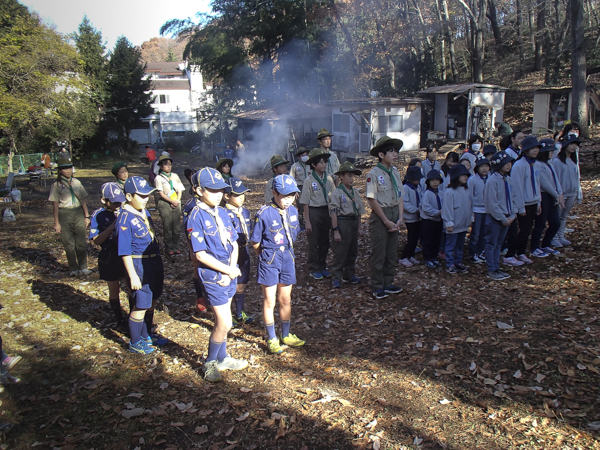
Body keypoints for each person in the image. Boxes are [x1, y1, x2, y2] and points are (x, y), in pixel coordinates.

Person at [186, 168, 247, 381]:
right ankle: (209, 362)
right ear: (198, 190)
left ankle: (223, 357)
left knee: (224, 319)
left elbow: (233, 243)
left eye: (221, 190)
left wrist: (231, 268)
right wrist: (226, 271)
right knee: (225, 323)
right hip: (213, 275)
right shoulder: (196, 216)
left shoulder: (221, 211)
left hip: (228, 272)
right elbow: (200, 255)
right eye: (212, 190)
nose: (219, 194)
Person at [250, 174, 304, 354]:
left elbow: (294, 235)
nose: (288, 200)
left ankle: (286, 334)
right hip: (270, 258)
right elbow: (255, 242)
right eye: (284, 196)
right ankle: (272, 337)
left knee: (285, 299)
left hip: (287, 256)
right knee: (269, 300)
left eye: (292, 196)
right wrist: (265, 257)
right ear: (274, 193)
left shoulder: (294, 211)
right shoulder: (264, 213)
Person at [117, 176, 166, 355]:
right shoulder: (125, 219)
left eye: (147, 195)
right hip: (139, 263)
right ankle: (135, 342)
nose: (145, 199)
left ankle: (146, 335)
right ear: (129, 197)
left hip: (153, 260)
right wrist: (133, 275)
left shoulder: (143, 212)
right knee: (140, 304)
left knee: (152, 299)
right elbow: (124, 251)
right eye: (141, 195)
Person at [366, 136, 404, 299]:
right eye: (391, 151)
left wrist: (400, 217)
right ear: (381, 155)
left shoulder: (395, 172)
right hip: (381, 216)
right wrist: (386, 220)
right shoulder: (374, 174)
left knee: (391, 252)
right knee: (379, 252)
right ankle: (378, 285)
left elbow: (399, 195)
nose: (395, 154)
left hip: (394, 213)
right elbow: (372, 199)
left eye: (396, 151)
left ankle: (389, 283)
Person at [89, 183, 129, 331]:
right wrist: (112, 226)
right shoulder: (98, 215)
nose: (118, 204)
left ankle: (133, 317)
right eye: (115, 202)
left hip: (125, 254)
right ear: (104, 200)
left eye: (120, 201)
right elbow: (96, 240)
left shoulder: (125, 210)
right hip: (109, 256)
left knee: (131, 286)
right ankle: (119, 319)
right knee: (114, 288)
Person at [48, 158, 91, 277]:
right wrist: (56, 222)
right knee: (68, 243)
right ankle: (73, 267)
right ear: (60, 171)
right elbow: (55, 205)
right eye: (65, 168)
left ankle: (83, 266)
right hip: (64, 212)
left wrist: (87, 216)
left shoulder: (77, 182)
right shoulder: (56, 185)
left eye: (69, 168)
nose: (68, 171)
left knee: (81, 242)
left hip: (78, 212)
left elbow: (83, 200)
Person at [504, 136, 542, 266]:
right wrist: (520, 207)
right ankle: (511, 253)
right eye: (532, 148)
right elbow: (517, 187)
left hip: (533, 202)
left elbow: (537, 183)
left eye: (537, 148)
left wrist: (538, 201)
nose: (535, 151)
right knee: (521, 230)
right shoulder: (519, 165)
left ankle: (520, 252)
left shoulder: (535, 164)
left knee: (528, 230)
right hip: (523, 204)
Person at [329, 161, 366, 288]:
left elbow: (359, 211)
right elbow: (333, 212)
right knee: (340, 251)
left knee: (352, 250)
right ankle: (336, 277)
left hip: (353, 222)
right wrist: (336, 230)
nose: (351, 179)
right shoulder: (337, 193)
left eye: (353, 176)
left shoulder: (355, 192)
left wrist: (359, 227)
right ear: (341, 177)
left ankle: (349, 274)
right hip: (342, 222)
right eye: (349, 176)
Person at [299, 148, 335, 280]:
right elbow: (305, 202)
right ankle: (314, 267)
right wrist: (307, 221)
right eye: (321, 162)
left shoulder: (329, 179)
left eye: (325, 162)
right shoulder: (309, 181)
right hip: (314, 211)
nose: (324, 165)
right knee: (314, 241)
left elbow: (333, 197)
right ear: (313, 165)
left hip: (327, 212)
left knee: (325, 240)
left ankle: (322, 266)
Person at [224, 178, 255, 326]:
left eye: (243, 193)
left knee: (241, 284)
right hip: (229, 254)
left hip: (244, 252)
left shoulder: (246, 212)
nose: (241, 197)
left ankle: (239, 312)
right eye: (237, 194)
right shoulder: (222, 214)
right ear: (227, 196)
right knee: (229, 286)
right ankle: (226, 316)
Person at [484, 151, 517, 280]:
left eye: (509, 163)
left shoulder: (508, 179)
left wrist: (513, 215)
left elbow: (513, 198)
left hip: (507, 217)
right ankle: (491, 269)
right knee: (491, 243)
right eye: (505, 163)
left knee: (499, 244)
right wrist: (503, 218)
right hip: (496, 218)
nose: (508, 165)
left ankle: (497, 267)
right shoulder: (492, 181)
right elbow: (492, 204)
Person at [530, 139, 563, 256]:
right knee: (540, 223)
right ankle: (534, 247)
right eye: (549, 151)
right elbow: (544, 183)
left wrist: (560, 193)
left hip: (553, 196)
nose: (552, 153)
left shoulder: (550, 163)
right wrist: (556, 194)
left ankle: (546, 244)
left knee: (555, 223)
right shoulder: (538, 165)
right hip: (543, 195)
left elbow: (555, 179)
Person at [183, 171, 207, 313]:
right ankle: (200, 297)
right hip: (196, 243)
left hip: (211, 243)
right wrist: (191, 249)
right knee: (197, 267)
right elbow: (187, 230)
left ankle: (209, 296)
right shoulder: (190, 205)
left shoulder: (213, 202)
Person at [552, 134, 581, 248]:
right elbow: (556, 178)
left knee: (564, 216)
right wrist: (558, 193)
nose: (573, 147)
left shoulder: (573, 160)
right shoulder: (557, 161)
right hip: (562, 193)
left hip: (572, 192)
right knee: (557, 216)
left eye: (575, 145)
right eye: (571, 144)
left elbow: (576, 176)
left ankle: (560, 235)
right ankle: (553, 237)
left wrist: (578, 192)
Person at [442, 164, 472, 274]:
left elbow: (469, 206)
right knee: (450, 245)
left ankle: (458, 262)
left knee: (460, 245)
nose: (465, 177)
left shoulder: (467, 190)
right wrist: (449, 222)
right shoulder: (449, 192)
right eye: (463, 175)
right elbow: (447, 208)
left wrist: (470, 218)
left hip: (463, 224)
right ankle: (450, 264)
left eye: (466, 175)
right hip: (453, 225)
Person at [154, 154, 185, 256]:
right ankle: (168, 247)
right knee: (167, 226)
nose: (168, 166)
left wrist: (177, 200)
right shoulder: (158, 178)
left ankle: (176, 247)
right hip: (165, 202)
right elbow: (161, 193)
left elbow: (180, 189)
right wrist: (171, 202)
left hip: (176, 201)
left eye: (170, 164)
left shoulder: (175, 176)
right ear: (161, 166)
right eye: (166, 164)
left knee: (176, 226)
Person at [399, 166, 423, 268]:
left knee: (416, 238)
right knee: (412, 238)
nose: (417, 180)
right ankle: (404, 257)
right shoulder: (405, 188)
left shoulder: (419, 188)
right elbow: (405, 204)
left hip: (419, 217)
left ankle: (411, 255)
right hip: (410, 218)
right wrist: (416, 210)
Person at [467, 157, 490, 263]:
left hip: (488, 209)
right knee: (475, 233)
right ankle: (473, 253)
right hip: (476, 210)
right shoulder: (472, 180)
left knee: (484, 233)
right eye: (482, 166)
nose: (484, 169)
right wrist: (471, 212)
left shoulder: (490, 178)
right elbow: (470, 197)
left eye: (486, 166)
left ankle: (481, 252)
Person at [421, 170, 444, 269]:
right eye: (432, 180)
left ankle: (434, 257)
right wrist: (437, 212)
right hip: (428, 221)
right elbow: (426, 208)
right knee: (428, 240)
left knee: (436, 239)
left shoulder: (441, 193)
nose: (435, 183)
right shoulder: (427, 194)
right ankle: (427, 258)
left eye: (437, 180)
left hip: (438, 221)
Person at [290, 147, 311, 228]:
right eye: (303, 155)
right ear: (299, 157)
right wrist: (294, 190)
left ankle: (309, 221)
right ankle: (301, 222)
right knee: (300, 206)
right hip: (300, 187)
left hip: (309, 187)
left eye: (306, 155)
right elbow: (291, 179)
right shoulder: (295, 166)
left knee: (310, 204)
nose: (305, 156)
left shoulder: (310, 165)